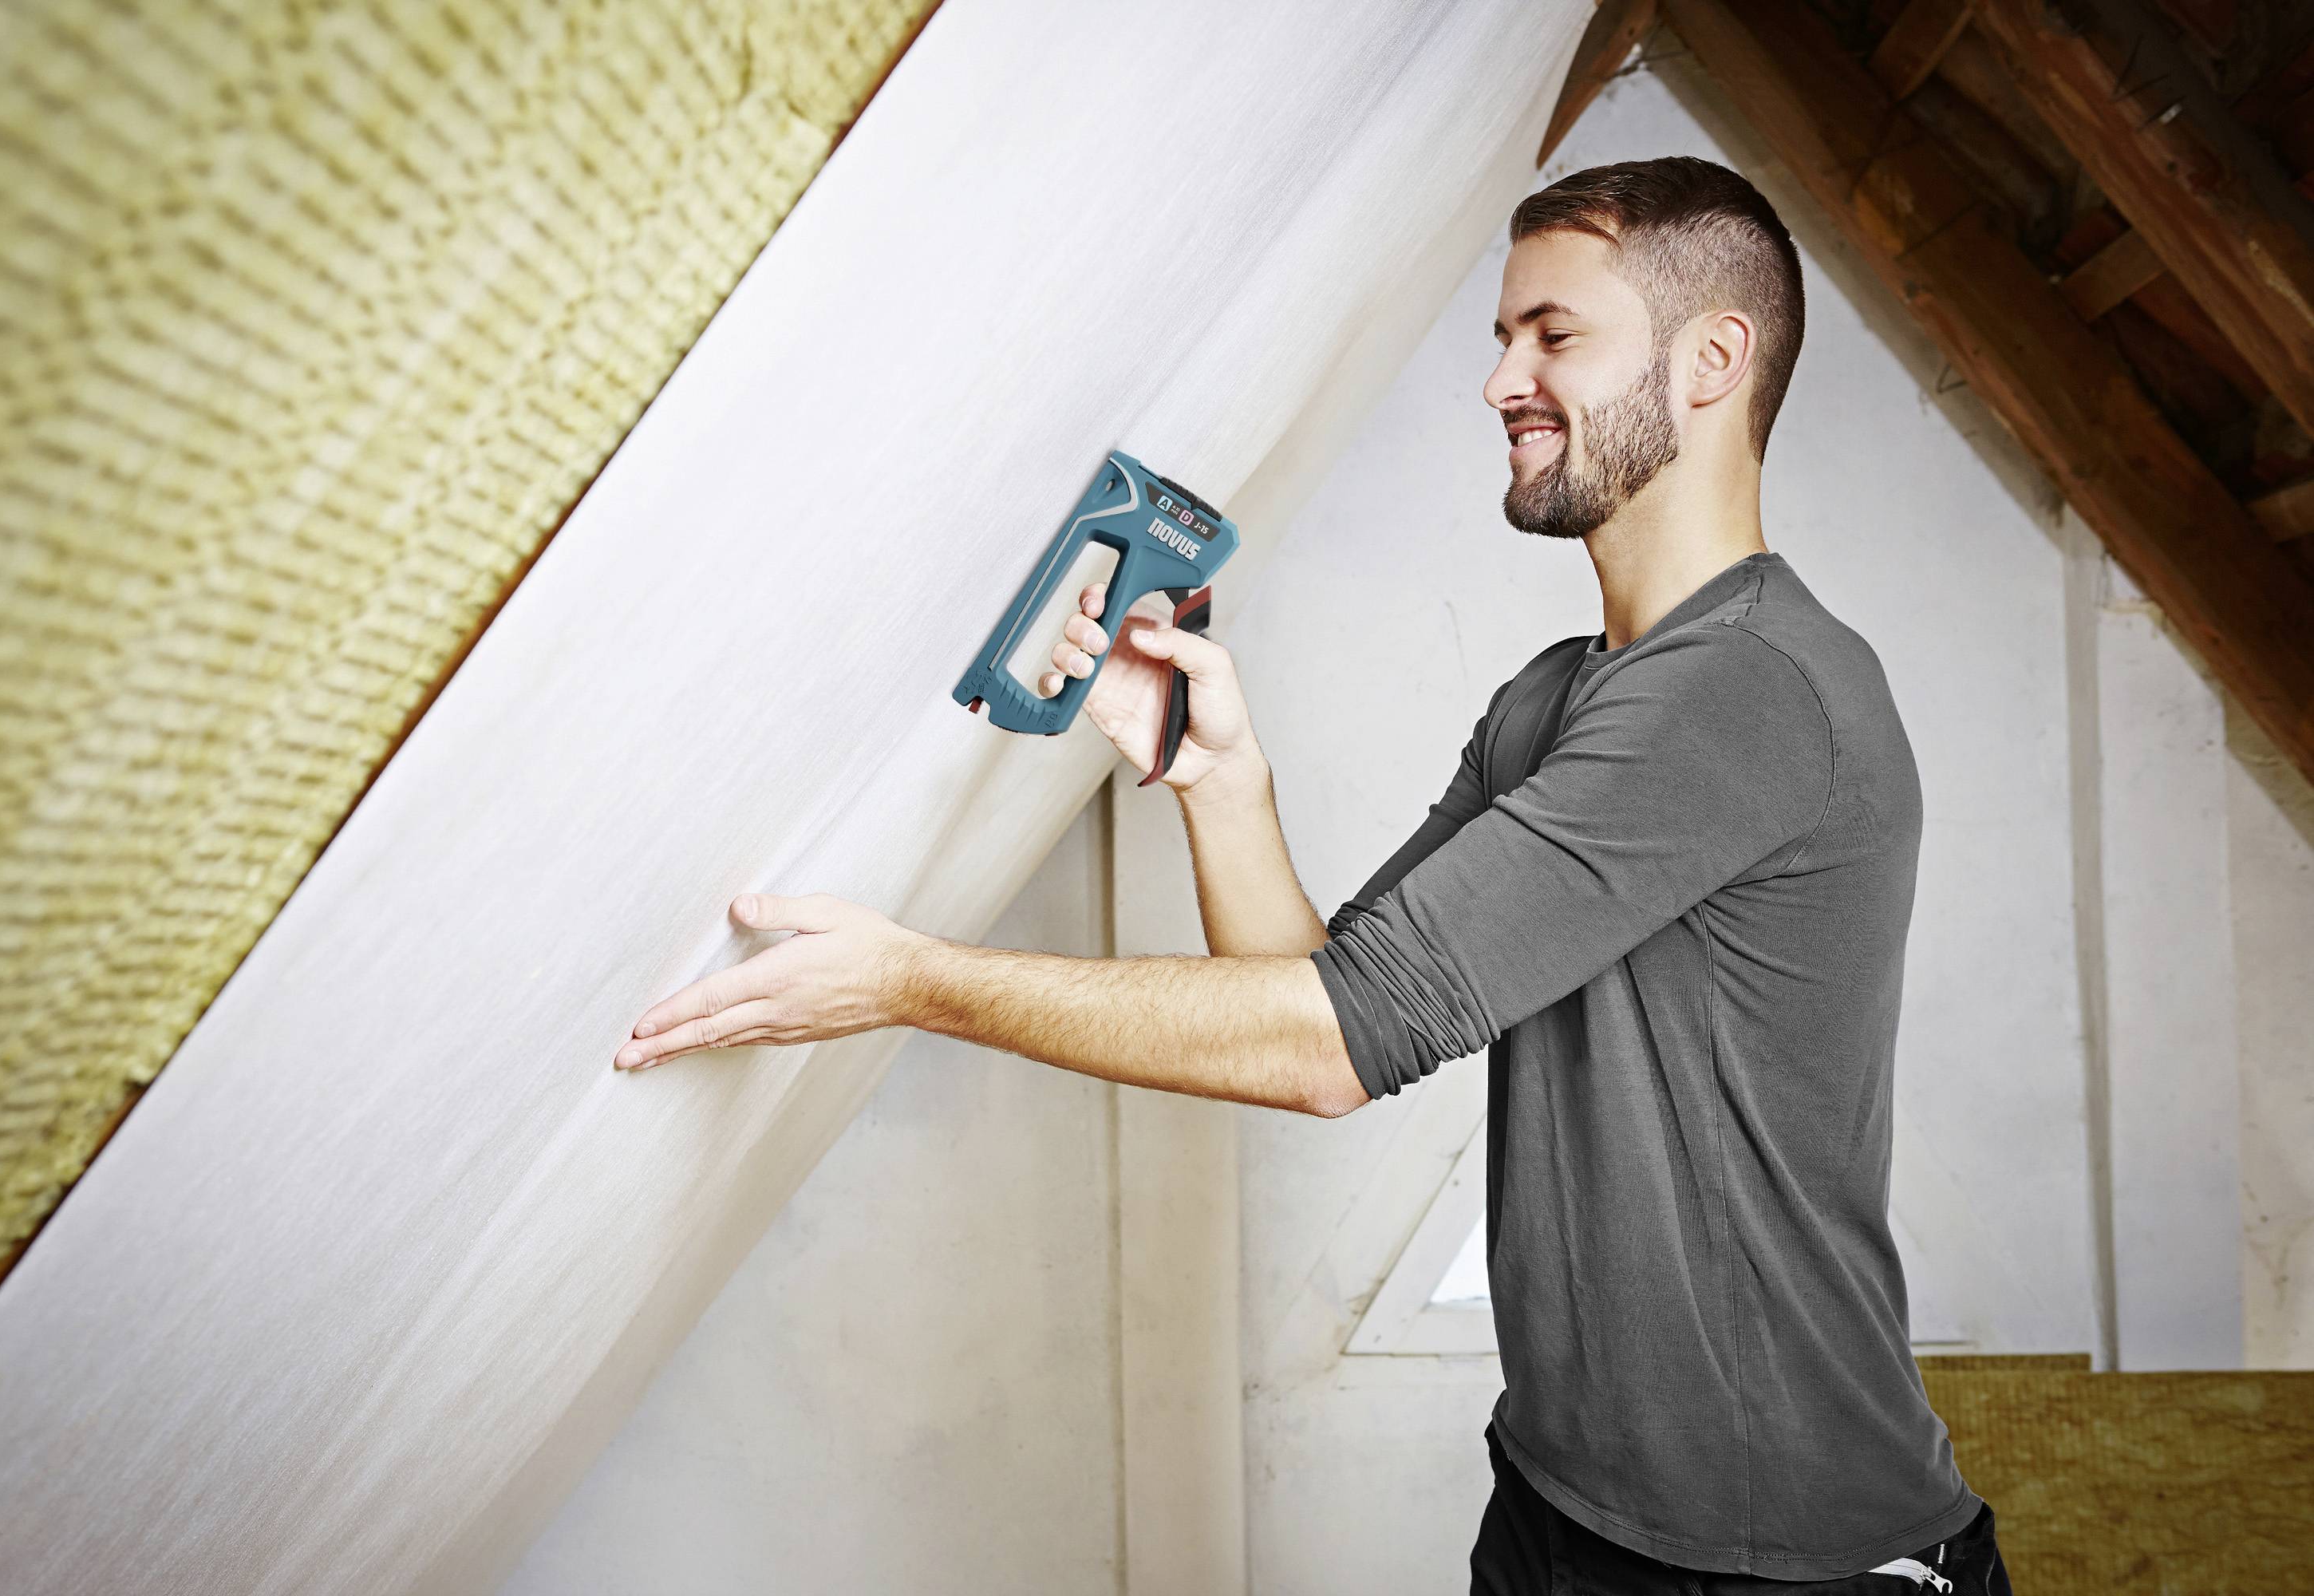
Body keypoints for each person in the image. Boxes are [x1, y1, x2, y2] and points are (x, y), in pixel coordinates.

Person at [613, 154, 2012, 1594]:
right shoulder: (1561, 698)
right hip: (1560, 1504)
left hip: (1788, 1556)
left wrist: (911, 980)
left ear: (1712, 359)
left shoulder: (1755, 691)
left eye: (1554, 335)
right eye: (1502, 337)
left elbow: (1324, 1052)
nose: (1502, 380)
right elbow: (1320, 991)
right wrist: (1223, 778)